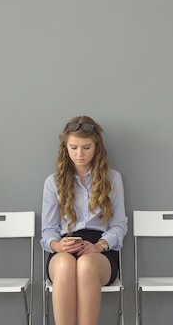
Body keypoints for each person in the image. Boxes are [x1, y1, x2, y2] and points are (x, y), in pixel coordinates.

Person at [41, 116, 128, 325]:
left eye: (86, 147)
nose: (80, 154)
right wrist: (57, 245)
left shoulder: (112, 179)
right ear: (66, 148)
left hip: (101, 250)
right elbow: (48, 230)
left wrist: (99, 246)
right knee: (64, 265)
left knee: (86, 265)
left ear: (96, 147)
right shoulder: (53, 182)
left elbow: (118, 226)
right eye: (74, 147)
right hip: (65, 246)